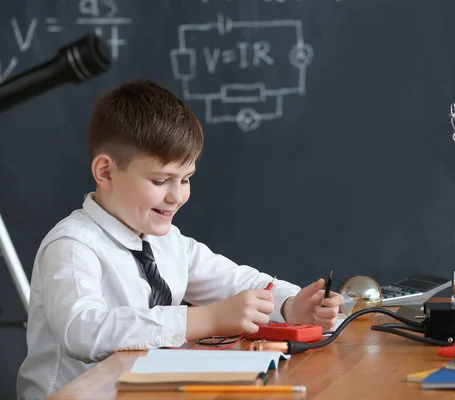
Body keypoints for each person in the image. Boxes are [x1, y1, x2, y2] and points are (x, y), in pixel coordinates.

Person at [16, 79, 344, 399]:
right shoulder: (72, 245)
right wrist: (204, 319)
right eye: (161, 180)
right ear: (105, 173)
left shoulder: (167, 241)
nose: (177, 196)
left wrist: (290, 305)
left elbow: (238, 282)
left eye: (186, 179)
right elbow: (82, 331)